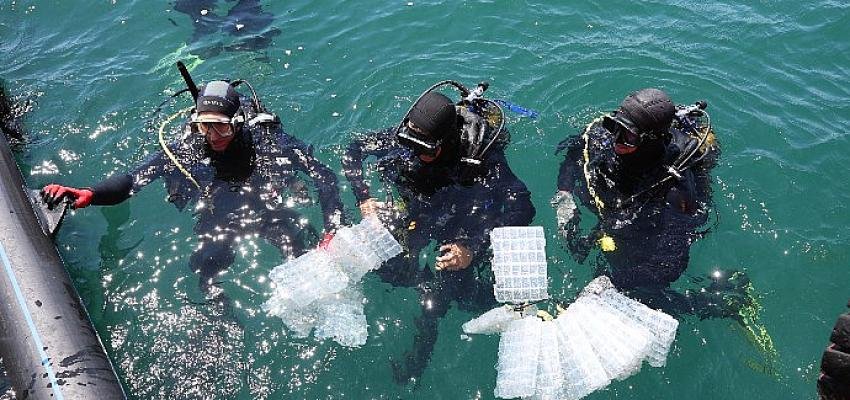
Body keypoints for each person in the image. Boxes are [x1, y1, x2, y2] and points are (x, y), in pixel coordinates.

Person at [42, 76, 345, 299]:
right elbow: (134, 179)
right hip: (219, 215)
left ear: (238, 122)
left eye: (221, 126)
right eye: (205, 126)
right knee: (207, 273)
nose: (213, 136)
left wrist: (333, 225)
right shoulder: (186, 149)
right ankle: (220, 318)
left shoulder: (268, 142)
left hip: (268, 208)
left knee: (302, 255)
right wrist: (91, 194)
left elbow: (324, 176)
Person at [342, 81, 535, 383]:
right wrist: (364, 197)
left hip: (463, 219)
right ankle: (422, 278)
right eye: (412, 145)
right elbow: (353, 150)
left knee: (443, 299)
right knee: (386, 269)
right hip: (423, 207)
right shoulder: (407, 140)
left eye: (424, 149)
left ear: (444, 141)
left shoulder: (481, 158)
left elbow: (522, 206)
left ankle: (419, 360)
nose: (415, 154)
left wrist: (472, 247)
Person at [552, 87, 739, 318]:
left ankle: (721, 301)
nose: (616, 140)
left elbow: (668, 266)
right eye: (615, 127)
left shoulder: (674, 190)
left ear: (651, 139)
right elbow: (574, 152)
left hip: (651, 226)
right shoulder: (607, 134)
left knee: (644, 293)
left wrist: (611, 282)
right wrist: (565, 194)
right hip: (621, 199)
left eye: (627, 135)